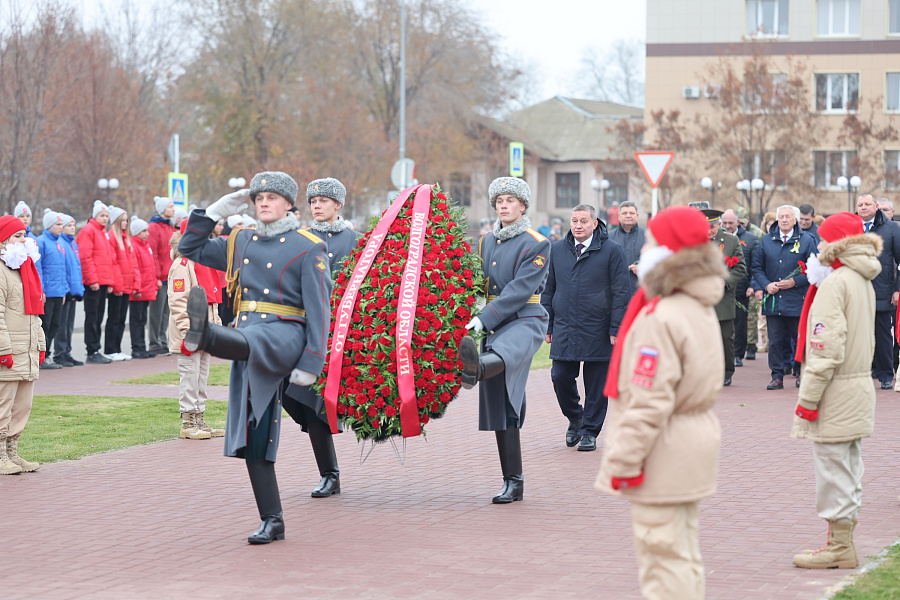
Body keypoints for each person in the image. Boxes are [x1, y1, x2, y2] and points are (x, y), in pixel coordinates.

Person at [178, 171, 330, 544]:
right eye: (258, 197)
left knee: (251, 337)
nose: (263, 202)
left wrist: (312, 363)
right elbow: (189, 250)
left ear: (288, 205)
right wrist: (213, 212)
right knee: (253, 431)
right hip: (246, 340)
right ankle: (272, 519)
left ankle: (207, 335)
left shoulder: (308, 245)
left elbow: (320, 310)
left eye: (272, 197)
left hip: (285, 334)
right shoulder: (240, 241)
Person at [595, 206, 725, 600]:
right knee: (681, 553)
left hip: (664, 449)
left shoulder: (661, 315)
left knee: (662, 558)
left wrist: (622, 459)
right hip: (690, 440)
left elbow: (648, 401)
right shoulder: (697, 304)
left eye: (652, 240)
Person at [791, 212, 881, 569]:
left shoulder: (836, 282)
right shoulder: (861, 278)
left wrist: (808, 399)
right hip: (856, 385)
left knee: (833, 469)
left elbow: (825, 347)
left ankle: (839, 547)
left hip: (836, 390)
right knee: (847, 466)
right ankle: (843, 542)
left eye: (825, 239)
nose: (820, 245)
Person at [459, 177, 550, 504]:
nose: (503, 205)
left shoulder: (537, 242)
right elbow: (480, 286)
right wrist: (465, 313)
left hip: (526, 319)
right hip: (495, 323)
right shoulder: (486, 242)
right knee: (504, 405)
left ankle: (476, 369)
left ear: (522, 206)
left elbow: (518, 292)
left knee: (503, 356)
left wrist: (483, 319)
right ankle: (513, 481)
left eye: (510, 200)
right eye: (499, 200)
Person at [283, 177, 363, 497]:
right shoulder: (298, 238)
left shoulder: (356, 241)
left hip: (341, 335)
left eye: (323, 201)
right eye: (313, 201)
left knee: (314, 401)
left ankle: (329, 474)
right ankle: (329, 469)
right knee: (291, 393)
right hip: (304, 331)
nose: (316, 206)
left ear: (337, 206)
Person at [541, 204, 628, 452]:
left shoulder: (612, 251)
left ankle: (590, 430)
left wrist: (616, 327)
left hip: (599, 328)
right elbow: (549, 289)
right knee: (560, 377)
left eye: (583, 221)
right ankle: (576, 417)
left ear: (595, 224)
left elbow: (621, 293)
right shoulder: (557, 249)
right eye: (574, 221)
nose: (578, 225)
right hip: (565, 327)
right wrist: (548, 323)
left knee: (596, 385)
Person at [168, 222, 225, 440]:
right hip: (191, 331)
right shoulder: (183, 264)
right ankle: (188, 421)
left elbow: (212, 301)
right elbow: (178, 301)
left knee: (201, 377)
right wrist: (186, 331)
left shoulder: (203, 264)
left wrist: (215, 327)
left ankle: (200, 417)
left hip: (205, 329)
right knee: (190, 376)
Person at [752, 205, 817, 390]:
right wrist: (766, 284)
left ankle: (800, 373)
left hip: (797, 300)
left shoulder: (806, 240)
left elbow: (814, 268)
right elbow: (756, 267)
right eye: (781, 216)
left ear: (795, 219)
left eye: (788, 216)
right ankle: (777, 376)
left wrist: (795, 282)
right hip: (773, 300)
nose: (784, 220)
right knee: (775, 341)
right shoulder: (766, 241)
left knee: (799, 339)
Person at [0, 215, 46, 474]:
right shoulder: (2, 270)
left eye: (24, 235)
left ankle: (12, 452)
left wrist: (39, 344)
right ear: (4, 240)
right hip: (10, 350)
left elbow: (34, 313)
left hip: (26, 350)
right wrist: (3, 350)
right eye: (18, 236)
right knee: (3, 403)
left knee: (22, 405)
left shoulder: (24, 269)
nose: (24, 240)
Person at [856, 194, 900, 389]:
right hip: (855, 293)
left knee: (882, 335)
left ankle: (885, 375)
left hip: (882, 291)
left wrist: (897, 289)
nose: (864, 207)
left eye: (867, 204)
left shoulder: (891, 229)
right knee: (857, 336)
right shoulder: (852, 228)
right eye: (860, 205)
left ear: (875, 207)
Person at [701, 209, 745, 386]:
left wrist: (725, 281)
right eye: (706, 227)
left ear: (719, 225)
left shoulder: (730, 240)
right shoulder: (693, 241)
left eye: (713, 226)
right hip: (700, 299)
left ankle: (726, 372)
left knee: (725, 337)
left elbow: (740, 268)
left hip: (723, 299)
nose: (709, 230)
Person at [76, 200, 115, 364]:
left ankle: (96, 349)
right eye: (102, 215)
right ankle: (91, 350)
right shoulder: (88, 231)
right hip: (94, 282)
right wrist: (92, 280)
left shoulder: (103, 232)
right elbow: (85, 257)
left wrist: (110, 281)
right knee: (92, 317)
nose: (105, 218)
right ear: (94, 216)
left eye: (107, 216)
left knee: (99, 317)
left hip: (103, 281)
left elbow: (108, 259)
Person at [722, 209, 758, 364]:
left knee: (740, 323)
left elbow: (754, 265)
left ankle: (738, 354)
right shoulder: (718, 239)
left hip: (742, 289)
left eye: (731, 223)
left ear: (738, 221)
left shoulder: (750, 239)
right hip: (722, 290)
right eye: (725, 223)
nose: (728, 226)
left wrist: (752, 285)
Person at [35, 209, 68, 370]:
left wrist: (64, 291)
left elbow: (63, 269)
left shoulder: (60, 243)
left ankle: (47, 355)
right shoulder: (41, 242)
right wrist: (42, 290)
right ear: (49, 226)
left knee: (55, 325)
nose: (61, 227)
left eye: (62, 224)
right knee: (45, 325)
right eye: (58, 224)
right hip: (47, 293)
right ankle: (42, 356)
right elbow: (38, 268)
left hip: (58, 292)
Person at [105, 206, 137, 361]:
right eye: (122, 220)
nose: (125, 223)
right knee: (114, 317)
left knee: (121, 318)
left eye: (126, 220)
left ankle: (117, 348)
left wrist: (133, 283)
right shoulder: (111, 237)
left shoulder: (126, 239)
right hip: (118, 285)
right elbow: (113, 263)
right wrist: (117, 285)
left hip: (126, 284)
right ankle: (110, 348)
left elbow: (132, 263)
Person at [53, 214, 84, 367]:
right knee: (61, 324)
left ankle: (67, 352)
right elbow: (63, 270)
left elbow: (76, 269)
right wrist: (66, 289)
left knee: (69, 324)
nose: (72, 228)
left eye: (73, 225)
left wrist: (78, 289)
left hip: (73, 290)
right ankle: (59, 354)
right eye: (68, 226)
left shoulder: (73, 244)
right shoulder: (61, 244)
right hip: (65, 290)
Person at [148, 196, 176, 356]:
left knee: (166, 312)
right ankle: (154, 342)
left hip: (170, 276)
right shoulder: (154, 227)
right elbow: (153, 254)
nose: (173, 209)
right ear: (162, 208)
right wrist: (156, 276)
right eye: (170, 206)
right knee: (156, 312)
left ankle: (163, 340)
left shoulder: (169, 227)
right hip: (160, 278)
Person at [129, 216, 158, 359]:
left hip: (147, 288)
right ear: (136, 232)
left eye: (147, 230)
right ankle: (137, 347)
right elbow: (135, 269)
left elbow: (150, 269)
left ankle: (142, 347)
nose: (147, 233)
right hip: (139, 290)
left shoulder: (146, 246)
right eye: (144, 231)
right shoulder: (134, 246)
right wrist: (137, 288)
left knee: (142, 320)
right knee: (136, 320)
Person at [608, 201, 645, 297]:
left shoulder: (648, 236)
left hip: (641, 291)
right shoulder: (608, 238)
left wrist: (643, 268)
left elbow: (658, 262)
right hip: (616, 292)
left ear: (637, 215)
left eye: (632, 213)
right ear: (619, 216)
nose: (628, 216)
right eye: (624, 213)